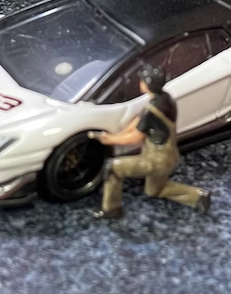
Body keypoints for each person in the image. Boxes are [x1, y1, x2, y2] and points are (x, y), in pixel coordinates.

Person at [89, 62, 211, 219]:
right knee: (154, 190)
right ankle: (198, 196)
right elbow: (139, 121)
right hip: (169, 155)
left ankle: (112, 209)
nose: (140, 83)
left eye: (142, 80)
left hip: (155, 159)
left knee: (113, 167)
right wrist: (120, 133)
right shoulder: (166, 99)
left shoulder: (151, 110)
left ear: (146, 84)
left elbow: (134, 138)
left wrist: (109, 139)